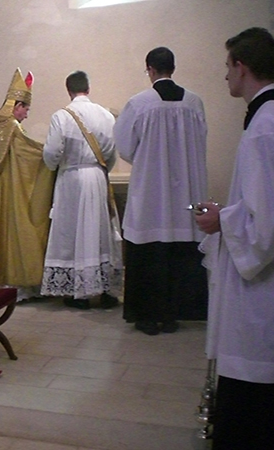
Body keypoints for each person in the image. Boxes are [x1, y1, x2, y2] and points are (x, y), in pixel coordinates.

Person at [195, 27, 274, 449]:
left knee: (253, 386)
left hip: (261, 287)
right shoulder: (265, 119)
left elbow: (266, 229)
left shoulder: (265, 126)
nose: (225, 75)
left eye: (228, 66)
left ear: (242, 67)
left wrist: (222, 219)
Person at [113, 47, 208, 335]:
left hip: (152, 192)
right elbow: (200, 141)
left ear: (150, 69)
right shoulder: (194, 103)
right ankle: (173, 315)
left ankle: (147, 316)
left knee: (149, 253)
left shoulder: (139, 103)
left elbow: (125, 147)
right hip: (186, 193)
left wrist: (150, 158)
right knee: (180, 253)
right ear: (173, 68)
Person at [0, 68, 54, 300]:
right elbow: (28, 153)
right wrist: (51, 153)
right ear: (17, 105)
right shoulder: (13, 126)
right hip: (7, 189)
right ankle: (12, 281)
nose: (27, 115)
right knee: (14, 229)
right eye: (26, 109)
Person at [41, 71, 123, 309]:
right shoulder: (106, 115)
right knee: (100, 232)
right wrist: (99, 168)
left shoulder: (62, 116)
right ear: (88, 88)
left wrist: (54, 166)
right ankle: (105, 291)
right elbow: (111, 153)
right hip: (98, 177)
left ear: (69, 90)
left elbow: (51, 152)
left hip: (72, 179)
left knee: (73, 232)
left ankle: (79, 294)